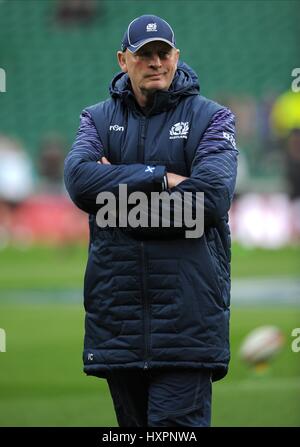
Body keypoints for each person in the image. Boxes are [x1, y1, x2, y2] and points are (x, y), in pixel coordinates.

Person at [64, 14, 238, 427]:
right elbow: (78, 181)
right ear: (123, 60)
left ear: (176, 57)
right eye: (145, 55)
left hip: (187, 320)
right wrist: (159, 176)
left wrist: (114, 208)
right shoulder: (97, 119)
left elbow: (209, 200)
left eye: (163, 53)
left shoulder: (213, 118)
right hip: (118, 321)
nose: (156, 62)